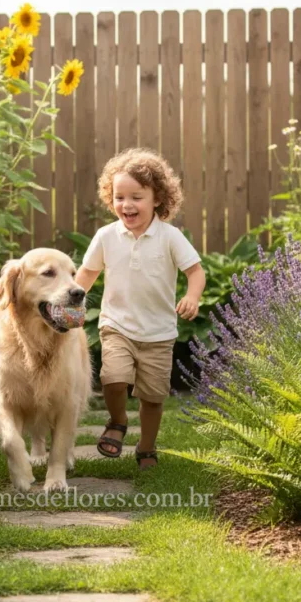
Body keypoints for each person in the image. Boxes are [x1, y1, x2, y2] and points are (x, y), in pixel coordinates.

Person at [74, 148, 206, 470]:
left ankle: (146, 448)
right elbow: (87, 274)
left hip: (158, 333)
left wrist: (192, 297)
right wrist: (71, 304)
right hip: (116, 324)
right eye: (119, 197)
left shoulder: (170, 237)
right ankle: (118, 421)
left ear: (157, 198)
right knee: (112, 378)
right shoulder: (106, 236)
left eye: (136, 197)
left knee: (153, 397)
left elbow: (195, 272)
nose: (127, 205)